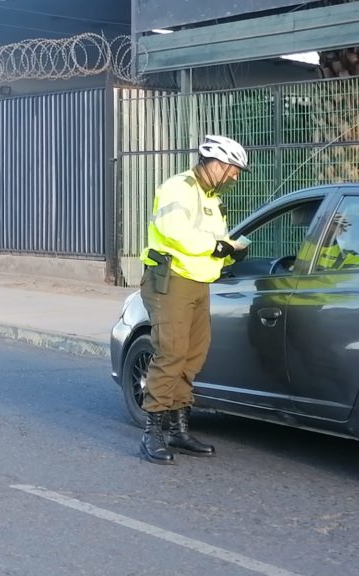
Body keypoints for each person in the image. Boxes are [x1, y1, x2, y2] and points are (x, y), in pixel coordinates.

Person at [138, 135, 250, 465]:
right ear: (216, 163)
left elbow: (209, 244)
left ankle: (178, 429)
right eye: (233, 169)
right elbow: (174, 231)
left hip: (198, 283)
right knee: (171, 353)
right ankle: (152, 432)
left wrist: (229, 253)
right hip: (172, 280)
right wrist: (216, 246)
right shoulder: (179, 187)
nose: (235, 176)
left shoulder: (211, 199)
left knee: (192, 355)